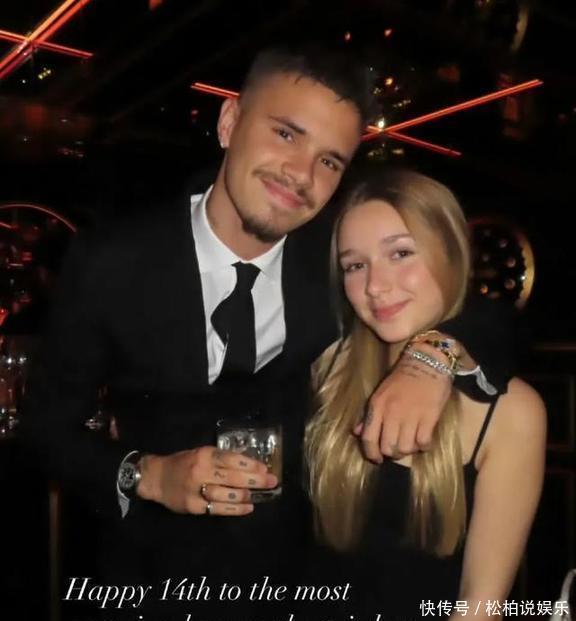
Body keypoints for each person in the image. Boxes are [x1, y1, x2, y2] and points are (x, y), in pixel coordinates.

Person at [22, 46, 512, 620]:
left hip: (297, 589)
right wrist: (146, 475)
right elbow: (44, 429)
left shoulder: (334, 257)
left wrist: (432, 355)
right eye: (285, 134)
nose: (301, 175)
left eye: (329, 161)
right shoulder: (115, 261)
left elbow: (481, 310)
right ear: (229, 122)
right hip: (147, 587)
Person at [304, 169, 546, 621]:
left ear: (451, 252)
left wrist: (433, 355)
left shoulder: (511, 412)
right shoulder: (327, 371)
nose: (375, 285)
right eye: (355, 265)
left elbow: (480, 608)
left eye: (400, 253)